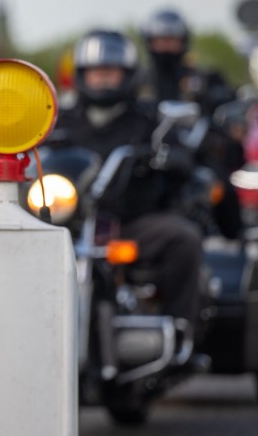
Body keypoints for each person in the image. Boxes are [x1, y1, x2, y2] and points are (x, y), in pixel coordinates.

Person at [56, 29, 203, 328]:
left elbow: (181, 152)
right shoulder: (59, 117)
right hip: (66, 223)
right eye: (96, 72)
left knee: (183, 238)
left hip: (130, 221)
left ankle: (180, 328)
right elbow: (28, 146)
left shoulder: (149, 118)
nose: (103, 79)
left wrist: (172, 156)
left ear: (129, 75)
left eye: (111, 71)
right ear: (81, 74)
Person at [142, 8, 244, 239]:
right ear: (149, 43)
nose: (166, 47)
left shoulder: (202, 79)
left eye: (172, 40)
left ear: (183, 42)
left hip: (196, 154)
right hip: (151, 154)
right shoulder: (139, 81)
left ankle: (236, 243)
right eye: (160, 41)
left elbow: (225, 107)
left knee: (223, 188)